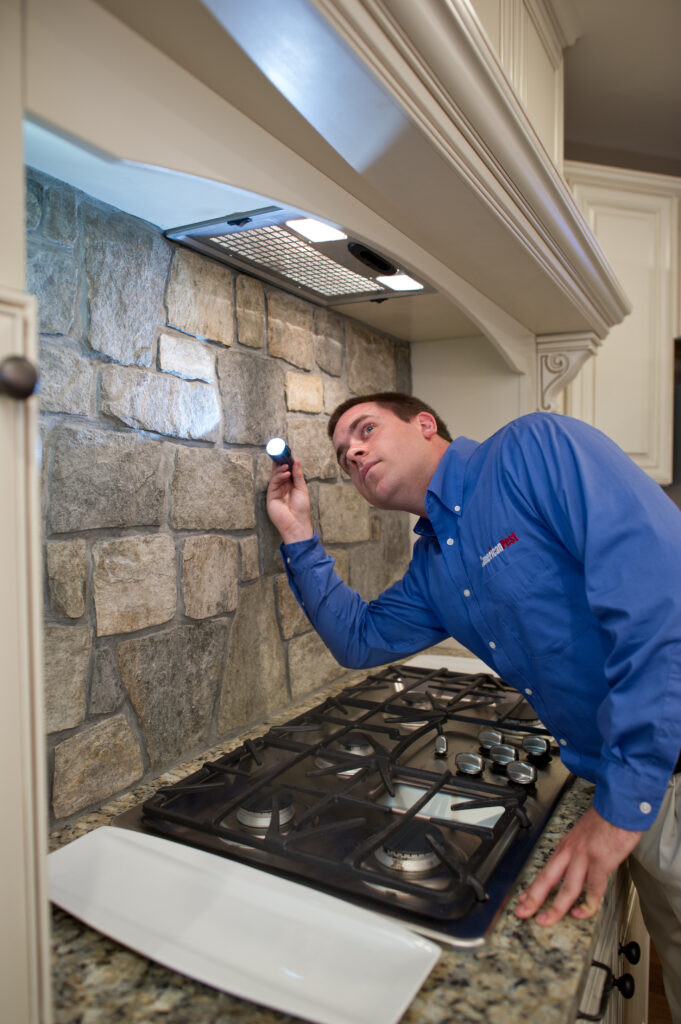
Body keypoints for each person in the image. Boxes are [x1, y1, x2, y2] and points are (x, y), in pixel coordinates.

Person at [267, 392, 681, 1018]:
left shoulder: (531, 450)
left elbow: (660, 598)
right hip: (636, 786)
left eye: (366, 429)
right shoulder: (436, 566)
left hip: (656, 769)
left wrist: (623, 807)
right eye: (343, 455)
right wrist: (297, 531)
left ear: (424, 424)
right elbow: (358, 638)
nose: (352, 453)